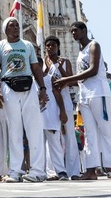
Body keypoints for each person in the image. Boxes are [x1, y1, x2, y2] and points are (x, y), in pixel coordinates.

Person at [54, 21, 111, 180]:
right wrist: (64, 82)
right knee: (89, 133)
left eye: (75, 30)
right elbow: (80, 79)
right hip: (84, 96)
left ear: (84, 30)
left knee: (106, 131)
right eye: (71, 32)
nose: (73, 34)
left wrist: (66, 79)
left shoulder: (94, 45)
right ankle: (91, 169)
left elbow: (92, 70)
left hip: (98, 93)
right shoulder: (80, 51)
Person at [0, 17, 48, 182]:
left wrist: (43, 89)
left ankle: (37, 171)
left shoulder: (28, 45)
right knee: (14, 130)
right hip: (9, 87)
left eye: (17, 25)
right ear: (5, 29)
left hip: (28, 87)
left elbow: (36, 68)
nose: (15, 27)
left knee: (34, 129)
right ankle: (15, 171)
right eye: (11, 25)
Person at [44, 36, 80, 179]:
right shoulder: (43, 62)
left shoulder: (64, 62)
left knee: (69, 135)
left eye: (53, 45)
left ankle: (74, 171)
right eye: (48, 45)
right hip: (49, 103)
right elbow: (43, 80)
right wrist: (47, 67)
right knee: (51, 136)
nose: (50, 47)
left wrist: (58, 67)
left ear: (58, 47)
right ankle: (52, 171)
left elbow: (71, 81)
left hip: (64, 100)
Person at [39, 46, 69, 181]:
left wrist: (62, 112)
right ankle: (44, 172)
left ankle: (61, 171)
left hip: (50, 116)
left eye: (38, 66)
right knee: (39, 146)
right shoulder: (30, 81)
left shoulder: (49, 79)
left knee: (54, 145)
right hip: (38, 118)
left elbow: (57, 95)